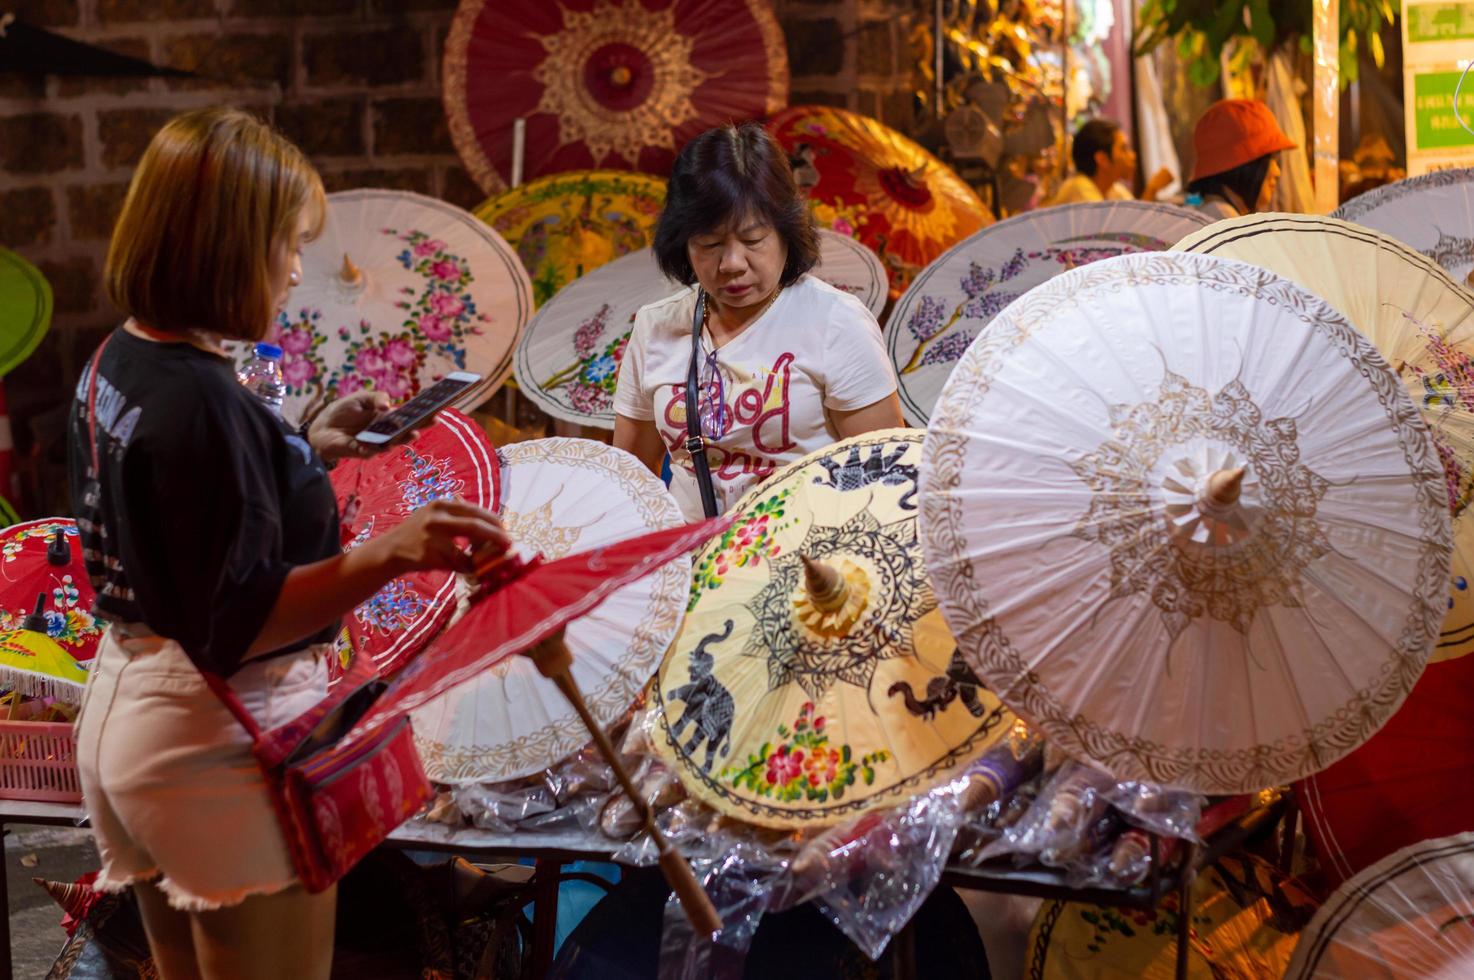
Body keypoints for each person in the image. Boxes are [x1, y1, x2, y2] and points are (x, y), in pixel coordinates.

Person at [68, 107, 509, 980]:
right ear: (226, 247)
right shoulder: (203, 406)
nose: (298, 268)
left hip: (132, 714)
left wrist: (302, 444)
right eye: (285, 243)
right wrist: (396, 550)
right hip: (219, 745)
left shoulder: (120, 359)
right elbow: (239, 621)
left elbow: (181, 524)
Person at [613, 123, 903, 520]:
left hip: (805, 564)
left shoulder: (835, 321)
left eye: (753, 241)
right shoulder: (656, 326)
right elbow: (627, 481)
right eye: (709, 244)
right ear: (681, 242)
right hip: (690, 564)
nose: (731, 264)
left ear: (786, 232)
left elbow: (885, 474)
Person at [1184, 99, 1296, 219]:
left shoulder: (1202, 213)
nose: (1277, 172)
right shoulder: (1228, 231)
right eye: (1271, 159)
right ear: (1242, 164)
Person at [1048, 118, 1173, 206]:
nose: (1133, 155)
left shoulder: (1113, 189)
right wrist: (1151, 190)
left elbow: (1134, 220)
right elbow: (1126, 236)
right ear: (1102, 159)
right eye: (1124, 149)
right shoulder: (1079, 188)